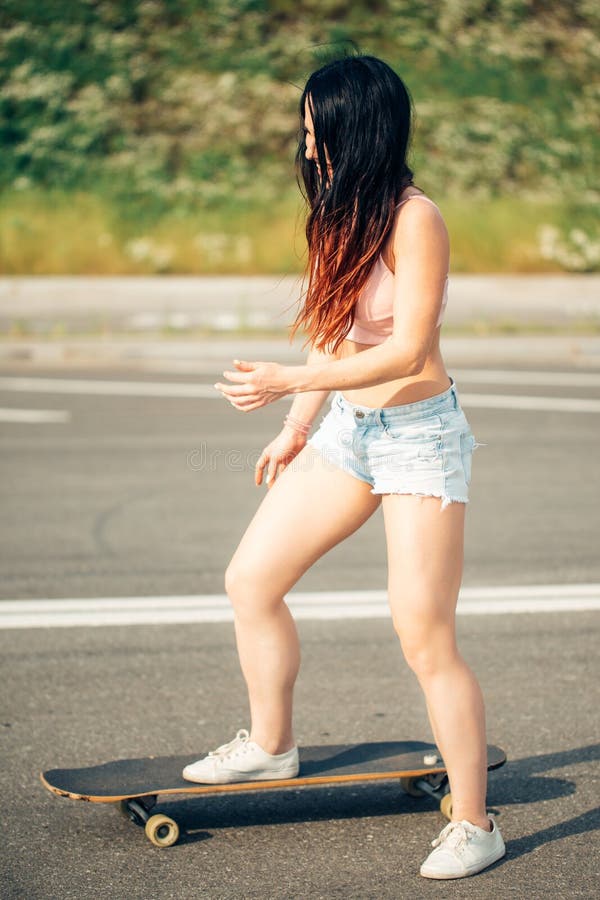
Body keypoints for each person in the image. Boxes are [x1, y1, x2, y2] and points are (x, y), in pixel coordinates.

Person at [183, 54, 505, 880]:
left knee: (423, 634)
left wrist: (294, 382)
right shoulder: (339, 211)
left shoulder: (414, 219)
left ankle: (474, 822)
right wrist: (297, 426)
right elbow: (336, 332)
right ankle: (271, 744)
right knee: (251, 579)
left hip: (419, 437)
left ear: (358, 129)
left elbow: (407, 349)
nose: (305, 143)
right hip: (349, 433)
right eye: (303, 127)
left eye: (316, 128)